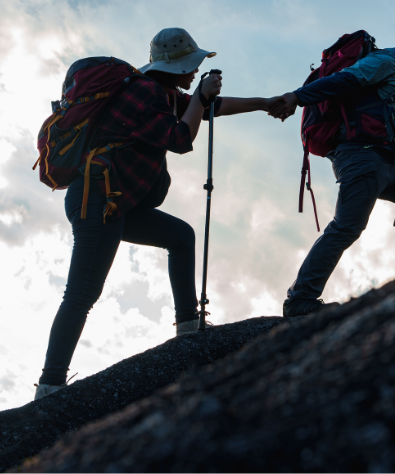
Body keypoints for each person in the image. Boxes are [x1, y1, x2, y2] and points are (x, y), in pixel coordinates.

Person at [35, 28, 279, 399]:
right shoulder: (143, 92)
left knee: (180, 237)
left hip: (118, 201)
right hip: (98, 200)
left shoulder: (162, 94)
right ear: (176, 65)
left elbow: (210, 108)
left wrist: (264, 102)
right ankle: (50, 385)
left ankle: (187, 327)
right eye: (192, 66)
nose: (196, 71)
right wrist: (199, 97)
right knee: (82, 292)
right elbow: (182, 138)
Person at [268, 31, 395, 317]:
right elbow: (345, 79)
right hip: (362, 157)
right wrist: (296, 98)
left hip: (380, 162)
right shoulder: (387, 61)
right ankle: (300, 298)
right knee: (347, 226)